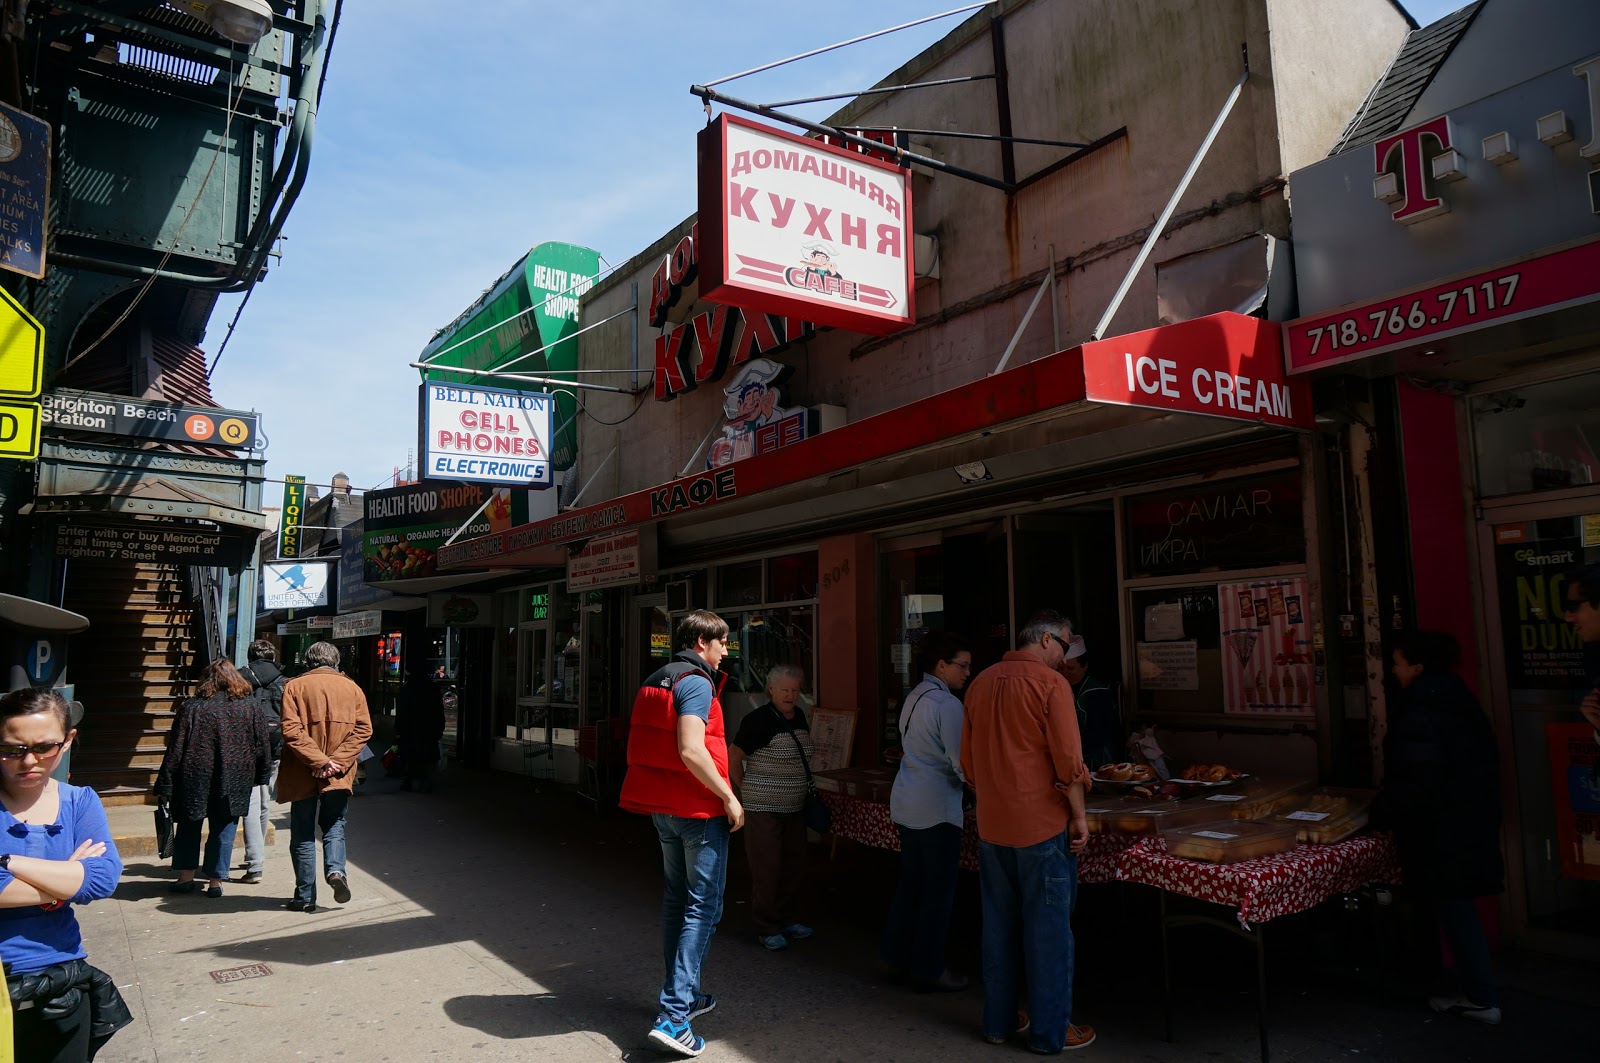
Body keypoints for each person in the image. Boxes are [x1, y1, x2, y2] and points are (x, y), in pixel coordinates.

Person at [960, 610, 1095, 1054]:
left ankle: (997, 1022)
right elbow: (1069, 762)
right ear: (1043, 641)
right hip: (1041, 826)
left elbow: (968, 765)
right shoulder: (1051, 685)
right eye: (1064, 643)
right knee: (1049, 933)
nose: (1065, 653)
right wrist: (1078, 815)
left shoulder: (979, 683)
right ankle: (1049, 1033)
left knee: (997, 926)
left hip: (993, 826)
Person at [618, 610, 744, 1058]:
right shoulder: (696, 681)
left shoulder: (659, 677)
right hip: (697, 810)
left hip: (664, 809)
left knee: (677, 899)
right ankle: (674, 1015)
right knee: (702, 907)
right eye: (723, 642)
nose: (726, 651)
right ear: (701, 642)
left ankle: (684, 998)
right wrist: (728, 796)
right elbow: (691, 747)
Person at [1379, 630, 1504, 1025]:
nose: (1393, 669)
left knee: (1455, 906)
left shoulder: (1421, 706)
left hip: (1443, 828)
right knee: (1457, 905)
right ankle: (1478, 991)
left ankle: (1482, 998)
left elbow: (1418, 776)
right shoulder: (1455, 696)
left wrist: (1381, 812)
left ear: (1417, 667)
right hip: (1466, 820)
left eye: (1397, 662)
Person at [0, 688, 131, 1062]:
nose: (29, 761)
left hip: (63, 985)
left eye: (44, 748)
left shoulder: (80, 800)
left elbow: (102, 879)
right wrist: (63, 883)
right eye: (12, 749)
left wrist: (8, 862)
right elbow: (81, 881)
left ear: (68, 740)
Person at [882, 630, 972, 992]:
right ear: (941, 665)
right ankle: (929, 968)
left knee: (911, 885)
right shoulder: (947, 704)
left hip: (907, 801)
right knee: (937, 893)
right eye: (962, 666)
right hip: (936, 807)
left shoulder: (915, 696)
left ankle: (897, 957)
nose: (967, 672)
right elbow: (960, 761)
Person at [154, 659, 272, 898]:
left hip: (194, 775)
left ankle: (185, 876)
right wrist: (262, 775)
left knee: (189, 824)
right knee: (225, 827)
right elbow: (262, 745)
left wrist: (165, 780)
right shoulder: (249, 707)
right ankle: (216, 881)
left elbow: (175, 748)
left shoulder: (192, 708)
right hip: (236, 776)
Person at [278, 641, 373, 914]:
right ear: (335, 662)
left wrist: (319, 762)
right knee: (334, 825)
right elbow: (364, 730)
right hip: (338, 774)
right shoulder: (352, 688)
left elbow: (291, 731)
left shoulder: (294, 687)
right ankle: (336, 871)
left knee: (303, 834)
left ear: (308, 661)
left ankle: (305, 896)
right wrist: (336, 763)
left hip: (302, 771)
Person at [728, 664, 814, 952]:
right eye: (784, 690)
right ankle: (767, 926)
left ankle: (787, 918)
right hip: (762, 806)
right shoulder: (758, 720)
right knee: (768, 868)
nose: (790, 695)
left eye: (795, 690)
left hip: (794, 806)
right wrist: (744, 793)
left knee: (793, 865)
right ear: (771, 690)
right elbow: (734, 757)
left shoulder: (799, 715)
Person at [239, 639, 286, 883]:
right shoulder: (284, 682)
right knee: (264, 801)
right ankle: (259, 851)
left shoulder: (240, 680)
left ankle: (255, 863)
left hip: (246, 751)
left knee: (250, 805)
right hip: (275, 749)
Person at [1057, 634, 1118, 770]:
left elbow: (1098, 735)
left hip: (1095, 760)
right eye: (1061, 668)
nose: (1064, 672)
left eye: (1070, 668)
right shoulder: (1059, 688)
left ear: (1084, 666)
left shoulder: (1098, 692)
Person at [395, 656, 446, 793]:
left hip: (411, 729)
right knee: (428, 757)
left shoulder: (408, 687)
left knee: (412, 757)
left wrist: (398, 730)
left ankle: (411, 781)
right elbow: (438, 711)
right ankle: (427, 782)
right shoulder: (432, 687)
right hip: (428, 729)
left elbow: (402, 711)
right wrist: (439, 728)